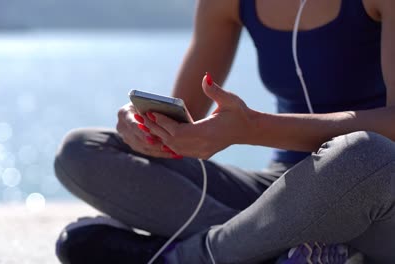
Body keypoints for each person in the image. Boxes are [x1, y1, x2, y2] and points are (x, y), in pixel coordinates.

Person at [53, 0, 395, 263]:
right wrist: (145, 126)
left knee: (365, 154)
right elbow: (183, 116)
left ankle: (189, 256)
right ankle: (281, 248)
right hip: (281, 188)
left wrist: (255, 128)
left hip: (379, 192)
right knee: (82, 151)